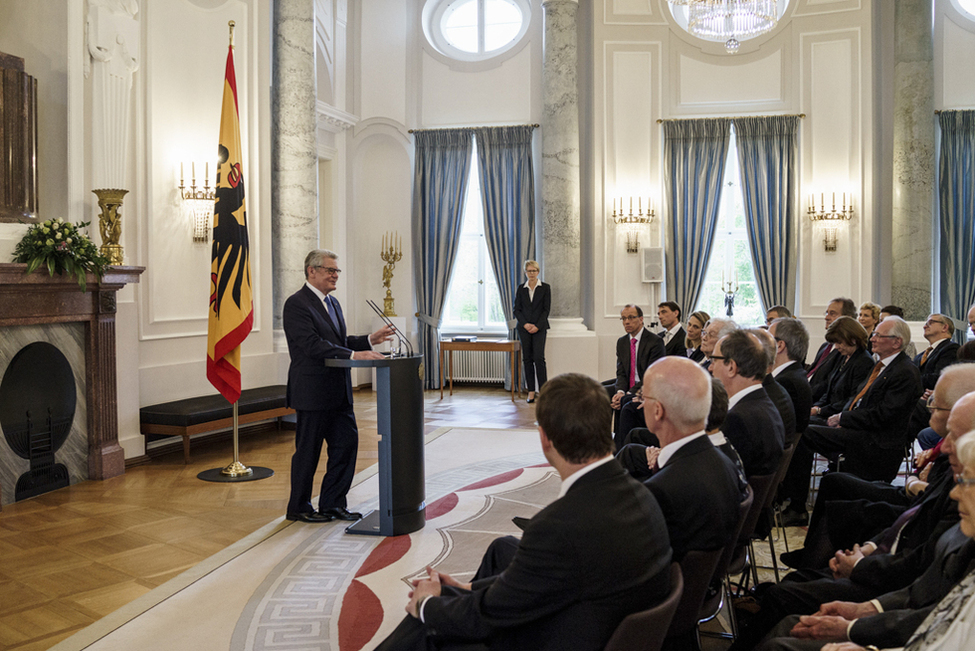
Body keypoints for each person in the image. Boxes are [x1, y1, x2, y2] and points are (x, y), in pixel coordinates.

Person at [374, 373, 674, 651]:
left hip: (561, 636)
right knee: (454, 595)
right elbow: (534, 585)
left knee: (425, 626)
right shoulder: (642, 493)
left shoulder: (557, 525)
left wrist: (426, 605)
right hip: (596, 622)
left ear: (545, 438)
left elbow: (486, 618)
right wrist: (466, 587)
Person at [753, 429, 975, 651]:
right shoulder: (959, 531)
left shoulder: (960, 528)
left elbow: (927, 601)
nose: (943, 447)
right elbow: (927, 598)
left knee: (784, 620)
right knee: (792, 593)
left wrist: (858, 633)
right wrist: (865, 608)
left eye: (967, 482)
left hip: (892, 583)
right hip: (894, 590)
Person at [283, 249, 393, 523]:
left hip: (338, 392)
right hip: (312, 392)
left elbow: (338, 342)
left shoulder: (333, 303)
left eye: (337, 271)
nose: (335, 275)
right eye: (330, 270)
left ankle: (332, 504)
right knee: (308, 453)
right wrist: (355, 355)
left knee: (346, 446)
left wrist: (369, 340)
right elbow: (312, 345)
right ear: (312, 271)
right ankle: (299, 507)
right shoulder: (296, 304)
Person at [802, 316, 923, 482]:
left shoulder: (905, 372)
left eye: (879, 335)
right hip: (859, 430)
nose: (872, 338)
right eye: (874, 334)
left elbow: (883, 416)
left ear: (896, 342)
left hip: (875, 442)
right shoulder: (882, 366)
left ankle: (795, 501)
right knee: (801, 425)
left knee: (803, 432)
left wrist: (844, 418)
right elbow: (859, 401)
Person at [781, 317, 874, 525]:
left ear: (852, 339)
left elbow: (849, 401)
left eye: (839, 342)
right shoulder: (843, 358)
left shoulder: (864, 361)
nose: (837, 347)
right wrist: (816, 408)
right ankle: (785, 493)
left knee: (803, 433)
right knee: (795, 425)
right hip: (827, 412)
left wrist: (820, 410)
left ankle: (797, 505)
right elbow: (829, 391)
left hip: (840, 419)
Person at [712, 329, 785, 477]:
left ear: (731, 367)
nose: (710, 367)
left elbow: (719, 477)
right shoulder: (765, 404)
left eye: (714, 360)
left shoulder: (737, 419)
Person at [609, 304, 666, 449]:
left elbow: (651, 375)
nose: (626, 322)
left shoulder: (654, 341)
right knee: (601, 393)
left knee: (626, 400)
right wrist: (619, 391)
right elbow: (621, 372)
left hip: (646, 388)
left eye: (630, 317)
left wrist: (628, 393)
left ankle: (620, 448)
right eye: (623, 318)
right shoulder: (622, 342)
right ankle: (604, 443)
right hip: (627, 386)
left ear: (641, 319)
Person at [512, 259, 550, 403]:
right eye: (529, 271)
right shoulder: (521, 288)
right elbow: (517, 309)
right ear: (525, 272)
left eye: (534, 270)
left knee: (539, 359)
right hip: (524, 329)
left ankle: (544, 392)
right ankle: (531, 392)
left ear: (538, 272)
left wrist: (537, 326)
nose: (532, 273)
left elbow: (546, 310)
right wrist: (526, 324)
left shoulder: (545, 287)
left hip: (540, 328)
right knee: (527, 359)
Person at [808, 298, 857, 401]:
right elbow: (813, 371)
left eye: (832, 314)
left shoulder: (845, 351)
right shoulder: (825, 346)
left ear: (847, 319)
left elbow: (828, 384)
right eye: (827, 313)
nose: (826, 317)